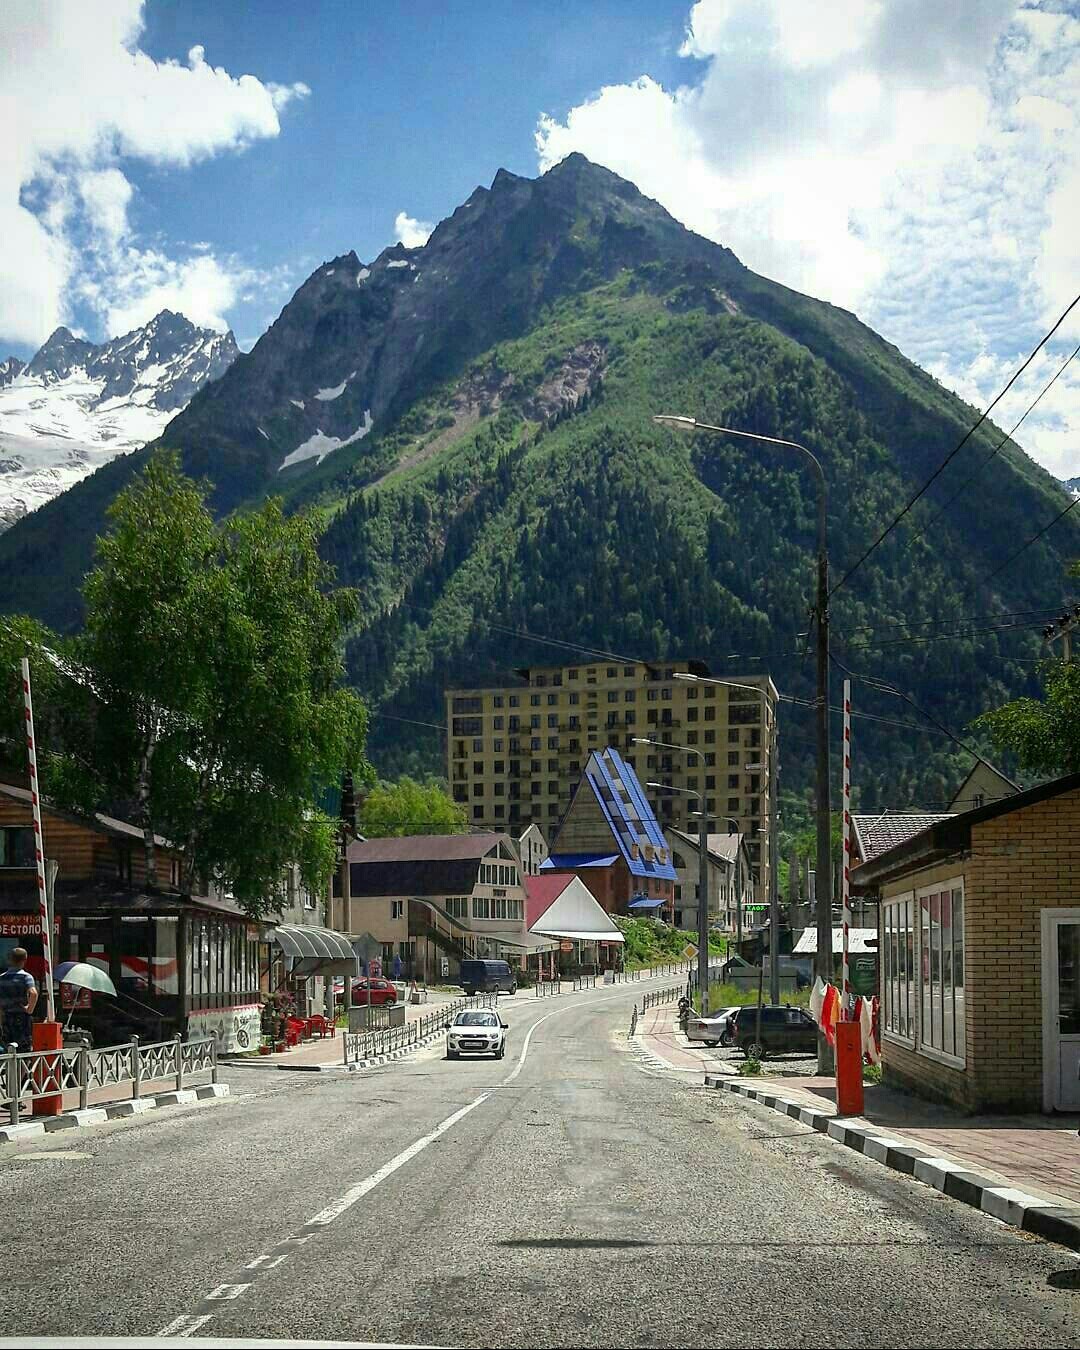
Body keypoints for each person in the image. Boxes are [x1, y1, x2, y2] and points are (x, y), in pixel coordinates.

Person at [0, 947, 39, 1050]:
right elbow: (33, 993)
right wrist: (29, 1009)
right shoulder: (26, 977)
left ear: (9, 959)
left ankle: (11, 1066)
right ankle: (22, 1066)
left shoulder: (2, 978)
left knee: (8, 1045)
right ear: (25, 960)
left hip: (6, 1016)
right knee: (24, 1046)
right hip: (22, 1016)